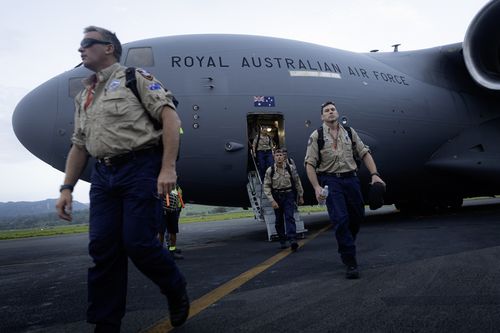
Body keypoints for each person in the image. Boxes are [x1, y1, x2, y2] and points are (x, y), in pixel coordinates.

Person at [55, 26, 189, 331]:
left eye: (88, 43)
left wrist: (167, 168)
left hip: (139, 167)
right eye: (81, 44)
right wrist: (66, 188)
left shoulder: (134, 78)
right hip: (103, 175)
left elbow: (170, 117)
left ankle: (174, 286)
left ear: (109, 48)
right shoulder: (84, 96)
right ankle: (106, 323)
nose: (81, 49)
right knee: (103, 249)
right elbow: (78, 145)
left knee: (139, 242)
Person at [304, 101, 384, 279]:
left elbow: (364, 153)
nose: (330, 112)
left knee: (357, 216)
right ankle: (350, 261)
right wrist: (316, 187)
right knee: (341, 219)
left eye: (333, 109)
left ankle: (346, 242)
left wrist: (375, 174)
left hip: (351, 179)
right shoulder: (317, 136)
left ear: (337, 113)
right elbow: (309, 164)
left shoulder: (349, 132)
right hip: (331, 181)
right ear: (322, 116)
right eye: (326, 111)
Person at [263, 148, 304, 251]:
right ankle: (282, 240)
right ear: (274, 157)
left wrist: (301, 195)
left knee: (289, 217)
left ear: (284, 156)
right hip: (277, 196)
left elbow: (297, 182)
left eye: (281, 155)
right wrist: (272, 200)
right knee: (279, 220)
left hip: (288, 195)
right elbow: (266, 186)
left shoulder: (290, 168)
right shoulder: (270, 170)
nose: (279, 157)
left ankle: (292, 240)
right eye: (277, 155)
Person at [159, 185, 184, 260]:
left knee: (173, 231)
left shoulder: (177, 187)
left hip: (173, 211)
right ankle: (159, 254)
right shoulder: (162, 184)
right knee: (161, 232)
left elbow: (178, 198)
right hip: (163, 211)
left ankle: (172, 252)